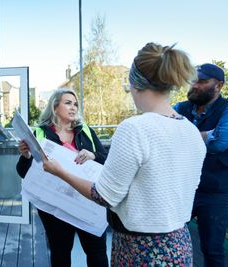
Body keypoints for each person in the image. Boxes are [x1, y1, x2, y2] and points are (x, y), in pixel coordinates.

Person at [42, 42, 207, 266]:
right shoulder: (191, 131)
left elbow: (104, 196)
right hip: (179, 245)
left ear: (134, 84)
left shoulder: (134, 128)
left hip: (140, 249)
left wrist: (60, 172)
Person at [16, 88, 109, 267]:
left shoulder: (86, 131)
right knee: (60, 253)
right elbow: (23, 172)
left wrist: (93, 155)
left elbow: (105, 160)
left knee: (96, 252)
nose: (73, 107)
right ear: (55, 107)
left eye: (75, 104)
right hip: (56, 204)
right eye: (68, 103)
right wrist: (26, 156)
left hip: (86, 201)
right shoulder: (40, 133)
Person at [174, 63, 228, 267]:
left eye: (202, 81)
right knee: (169, 240)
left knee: (213, 251)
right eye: (193, 80)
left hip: (215, 193)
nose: (194, 85)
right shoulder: (181, 107)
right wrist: (205, 134)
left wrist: (184, 135)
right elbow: (164, 135)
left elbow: (221, 142)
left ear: (219, 86)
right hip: (183, 187)